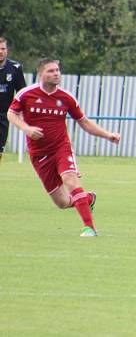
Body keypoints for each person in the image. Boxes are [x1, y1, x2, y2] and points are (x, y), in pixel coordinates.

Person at [7, 58, 121, 237]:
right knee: (61, 202)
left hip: (62, 149)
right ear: (41, 74)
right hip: (39, 155)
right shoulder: (26, 94)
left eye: (57, 70)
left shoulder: (66, 97)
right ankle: (87, 198)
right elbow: (11, 114)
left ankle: (90, 228)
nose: (56, 74)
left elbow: (84, 122)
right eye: (51, 71)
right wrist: (26, 129)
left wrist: (108, 135)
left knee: (70, 179)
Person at [0, 37, 27, 165]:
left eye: (3, 48)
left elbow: (22, 92)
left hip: (4, 115)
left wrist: (24, 111)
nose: (0, 51)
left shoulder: (15, 68)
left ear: (7, 50)